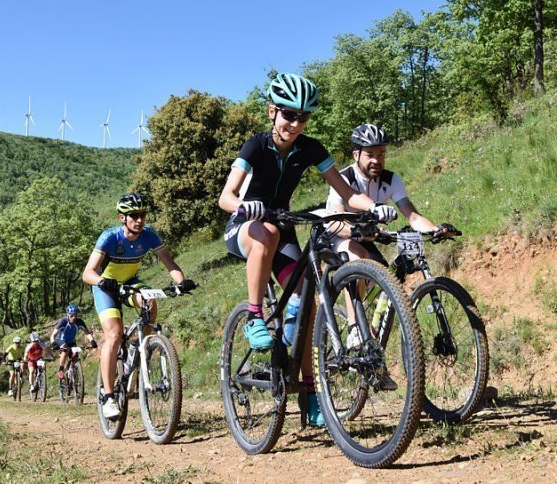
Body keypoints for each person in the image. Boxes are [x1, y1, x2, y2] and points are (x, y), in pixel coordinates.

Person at [218, 73, 397, 428]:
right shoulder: (254, 146)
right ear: (272, 112)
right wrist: (243, 206)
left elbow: (346, 193)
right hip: (244, 227)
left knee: (307, 305)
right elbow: (226, 196)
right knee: (266, 231)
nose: (296, 124)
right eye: (289, 115)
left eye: (303, 117)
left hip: (281, 227)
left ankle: (311, 391)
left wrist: (372, 208)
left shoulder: (311, 148)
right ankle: (255, 315)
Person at [326, 123, 456, 348]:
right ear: (356, 154)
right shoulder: (344, 178)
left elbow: (412, 216)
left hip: (367, 239)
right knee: (357, 256)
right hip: (337, 236)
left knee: (388, 283)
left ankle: (373, 351)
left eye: (381, 154)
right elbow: (336, 221)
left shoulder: (391, 180)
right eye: (370, 155)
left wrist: (434, 229)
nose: (377, 160)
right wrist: (358, 230)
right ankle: (355, 328)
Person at [82, 192, 196, 420]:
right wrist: (103, 281)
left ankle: (138, 346)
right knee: (113, 336)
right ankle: (108, 396)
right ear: (122, 217)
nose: (140, 220)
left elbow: (169, 262)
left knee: (150, 303)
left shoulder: (149, 235)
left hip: (130, 283)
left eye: (143, 214)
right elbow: (87, 273)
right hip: (105, 287)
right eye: (134, 215)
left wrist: (181, 282)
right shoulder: (110, 238)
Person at [50, 304, 98, 381]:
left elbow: (87, 333)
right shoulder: (63, 321)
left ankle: (74, 377)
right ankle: (61, 369)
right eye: (72, 315)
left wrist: (92, 341)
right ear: (67, 315)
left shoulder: (79, 322)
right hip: (61, 340)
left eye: (75, 315)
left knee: (75, 357)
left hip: (72, 342)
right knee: (66, 350)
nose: (74, 317)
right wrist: (53, 343)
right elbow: (53, 335)